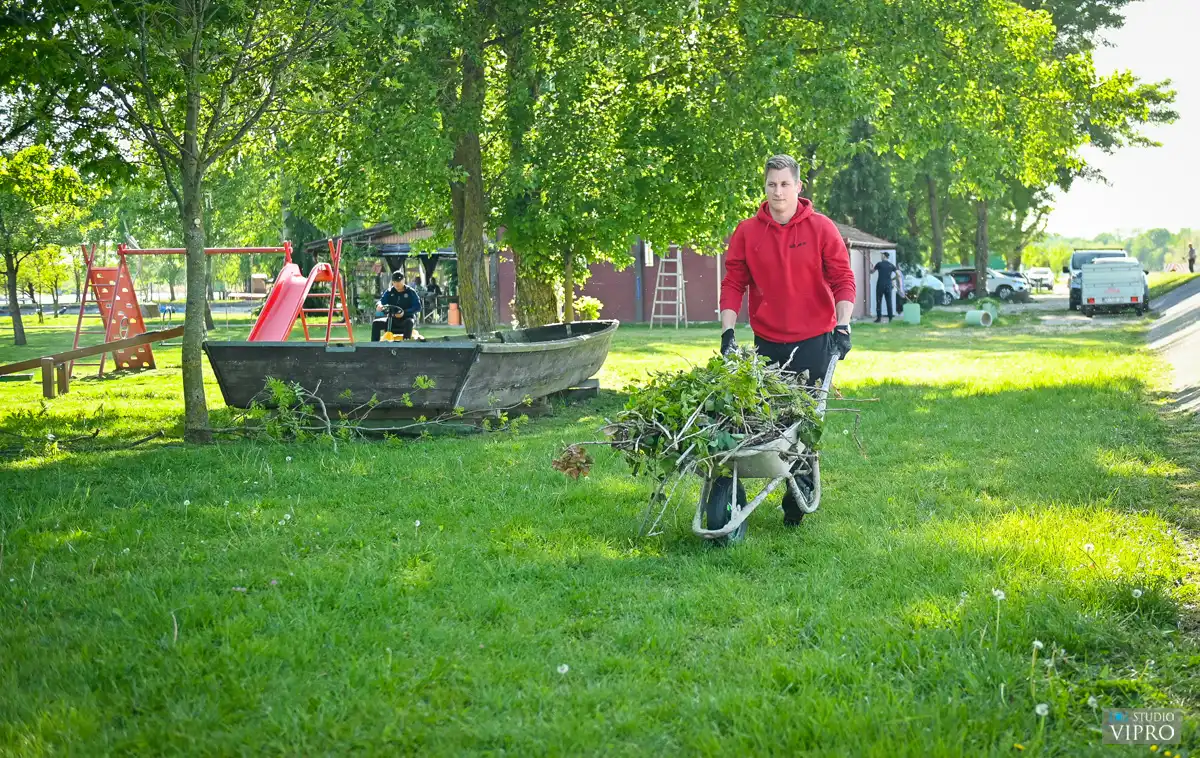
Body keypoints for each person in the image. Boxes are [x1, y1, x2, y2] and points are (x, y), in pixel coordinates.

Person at [718, 153, 856, 527]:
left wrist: (843, 326)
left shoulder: (821, 228)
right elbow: (733, 283)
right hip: (768, 345)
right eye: (771, 184)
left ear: (798, 186)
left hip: (814, 341)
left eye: (784, 184)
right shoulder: (747, 232)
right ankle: (749, 486)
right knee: (768, 424)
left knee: (805, 425)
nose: (778, 191)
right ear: (764, 188)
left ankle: (800, 491)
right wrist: (728, 331)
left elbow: (843, 279)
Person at [372, 271, 421, 341]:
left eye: (398, 281)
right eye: (394, 282)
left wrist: (404, 312)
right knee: (376, 323)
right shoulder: (389, 292)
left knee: (409, 322)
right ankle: (374, 346)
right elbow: (381, 301)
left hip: (406, 319)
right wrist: (379, 305)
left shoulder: (411, 292)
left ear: (403, 280)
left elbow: (418, 307)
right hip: (392, 320)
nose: (396, 284)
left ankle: (406, 343)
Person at [871, 251, 902, 322]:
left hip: (880, 285)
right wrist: (892, 279)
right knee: (889, 302)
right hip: (888, 285)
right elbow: (898, 275)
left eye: (882, 255)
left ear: (884, 256)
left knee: (879, 301)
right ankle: (890, 318)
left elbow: (872, 271)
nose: (881, 257)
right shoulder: (891, 265)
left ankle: (878, 318)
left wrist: (872, 268)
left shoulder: (879, 264)